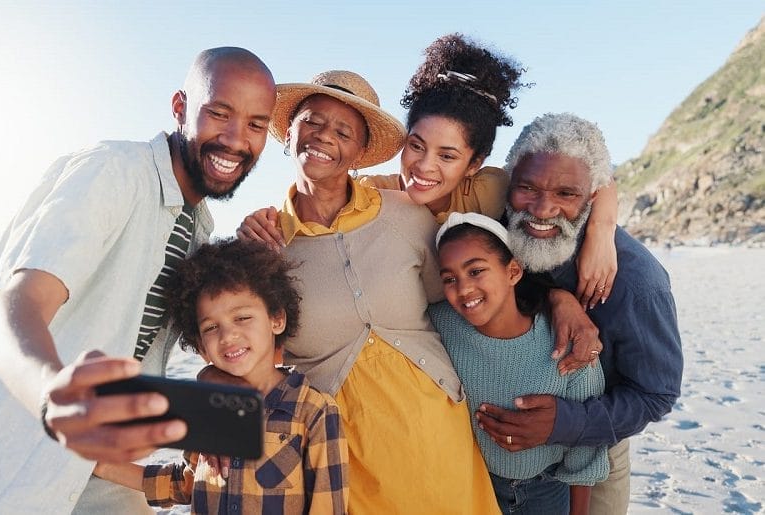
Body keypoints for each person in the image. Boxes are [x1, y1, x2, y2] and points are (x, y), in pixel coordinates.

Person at [0, 47, 277, 513]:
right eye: (219, 113)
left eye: (255, 124)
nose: (235, 138)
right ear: (180, 108)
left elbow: (160, 345)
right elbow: (17, 305)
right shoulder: (113, 172)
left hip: (76, 452)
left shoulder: (196, 225)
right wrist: (49, 397)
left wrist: (211, 416)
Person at [242, 69, 501, 513]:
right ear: (289, 132)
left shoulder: (408, 217)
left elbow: (458, 303)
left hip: (438, 431)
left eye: (344, 131)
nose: (325, 136)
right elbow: (242, 355)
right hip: (341, 452)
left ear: (360, 153)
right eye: (313, 121)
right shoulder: (263, 247)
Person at [240, 34, 620, 313]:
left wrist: (602, 234)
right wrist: (262, 220)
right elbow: (317, 205)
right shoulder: (377, 195)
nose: (424, 167)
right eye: (417, 146)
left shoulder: (490, 189)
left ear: (474, 163)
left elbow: (581, 184)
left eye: (448, 156)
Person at [474, 113, 683, 514]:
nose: (542, 209)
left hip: (594, 455)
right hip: (493, 459)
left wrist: (562, 423)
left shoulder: (637, 283)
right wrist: (556, 295)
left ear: (591, 198)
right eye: (527, 188)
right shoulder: (496, 234)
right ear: (510, 181)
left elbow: (656, 393)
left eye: (566, 195)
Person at [93, 238, 348, 514]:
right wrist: (101, 465)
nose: (228, 336)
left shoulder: (314, 413)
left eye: (242, 318)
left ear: (277, 319)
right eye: (212, 327)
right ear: (201, 347)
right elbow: (185, 482)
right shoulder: (204, 408)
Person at [429, 212, 608, 515]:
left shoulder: (568, 342)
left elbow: (586, 448)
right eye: (449, 278)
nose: (463, 289)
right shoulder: (442, 324)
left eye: (476, 271)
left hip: (547, 488)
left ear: (513, 272)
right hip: (475, 484)